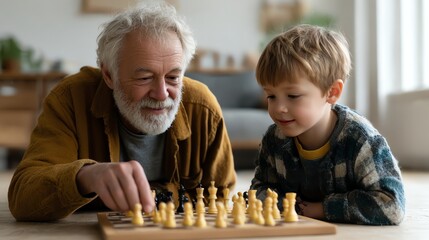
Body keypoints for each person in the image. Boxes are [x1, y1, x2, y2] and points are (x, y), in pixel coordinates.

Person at [8, 1, 236, 221]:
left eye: (173, 78)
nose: (161, 94)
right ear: (109, 75)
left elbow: (221, 200)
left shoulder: (203, 108)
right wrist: (86, 176)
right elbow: (23, 197)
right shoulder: (69, 99)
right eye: (144, 78)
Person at [250, 24, 405, 225]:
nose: (279, 108)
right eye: (271, 96)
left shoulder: (361, 139)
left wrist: (324, 209)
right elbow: (259, 189)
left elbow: (392, 205)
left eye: (293, 96)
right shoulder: (274, 139)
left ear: (332, 93)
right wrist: (288, 206)